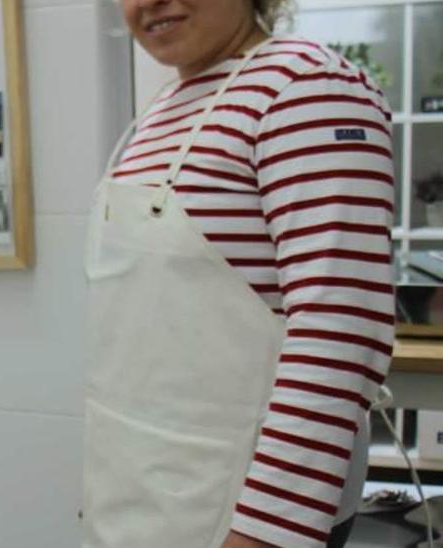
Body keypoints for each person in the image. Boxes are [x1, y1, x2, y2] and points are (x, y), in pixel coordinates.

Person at [84, 1, 394, 548]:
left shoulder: (306, 88)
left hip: (240, 516)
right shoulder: (164, 108)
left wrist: (264, 535)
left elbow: (340, 332)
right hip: (144, 492)